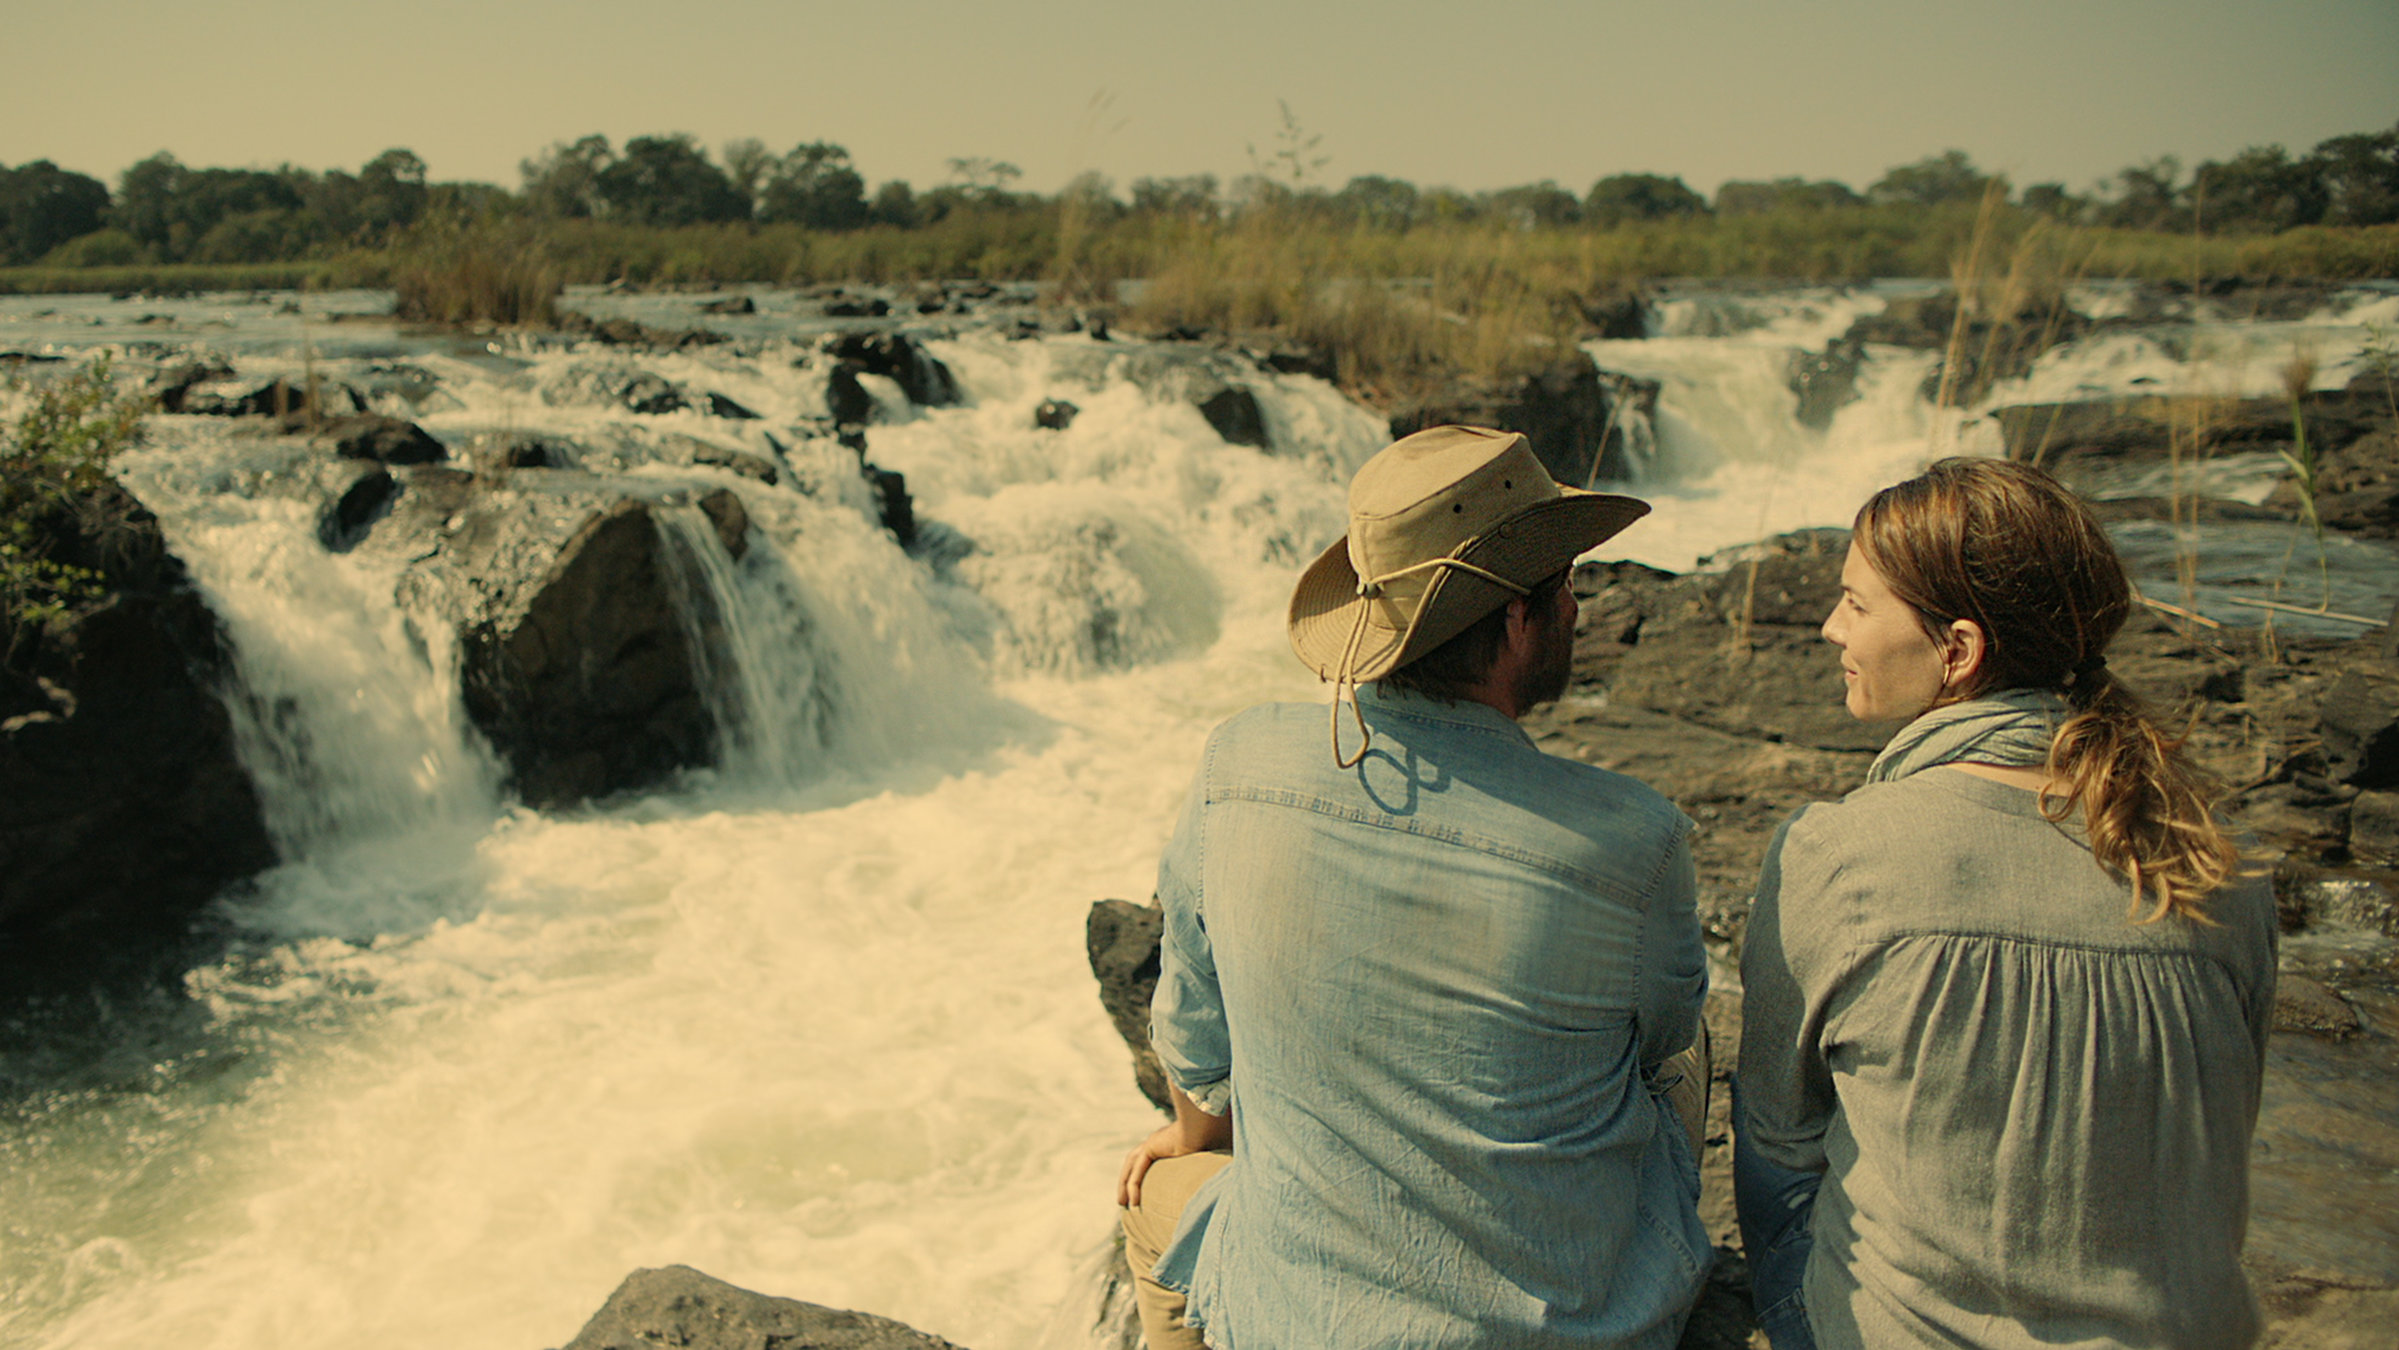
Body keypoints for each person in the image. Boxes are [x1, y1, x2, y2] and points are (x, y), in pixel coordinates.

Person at [1115, 424, 1711, 1350]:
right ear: (1518, 619)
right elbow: (1662, 1046)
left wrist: (1197, 1136)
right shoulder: (1634, 841)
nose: (1578, 613)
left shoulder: (1237, 763)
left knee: (1155, 1190)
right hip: (1578, 1329)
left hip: (1302, 1326)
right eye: (1565, 589)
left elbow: (1195, 1032)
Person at [1735, 457, 2277, 1350]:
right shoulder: (2215, 859)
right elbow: (2215, 1142)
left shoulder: (1837, 851)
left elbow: (1775, 1141)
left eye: (1857, 605)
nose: (1832, 628)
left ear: (1957, 651)